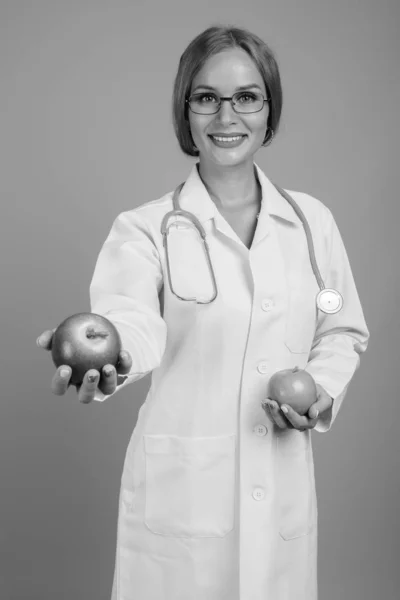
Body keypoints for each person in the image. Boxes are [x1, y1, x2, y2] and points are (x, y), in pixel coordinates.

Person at [37, 25, 370, 600]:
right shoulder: (145, 228)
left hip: (280, 483)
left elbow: (337, 321)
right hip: (183, 493)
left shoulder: (313, 225)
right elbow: (132, 319)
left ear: (269, 110)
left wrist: (321, 386)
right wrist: (112, 355)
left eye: (246, 96)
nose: (226, 115)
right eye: (206, 97)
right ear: (186, 111)